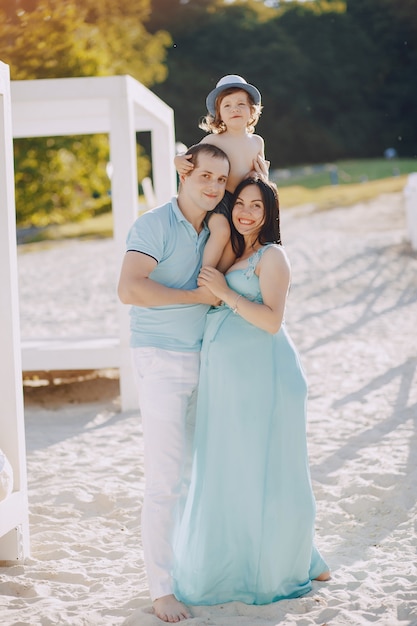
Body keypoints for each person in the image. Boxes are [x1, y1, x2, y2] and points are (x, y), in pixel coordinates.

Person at [173, 177, 330, 607]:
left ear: (269, 214)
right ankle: (294, 556)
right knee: (234, 471)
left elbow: (271, 321)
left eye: (255, 206)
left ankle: (288, 560)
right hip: (231, 384)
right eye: (239, 204)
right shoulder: (237, 250)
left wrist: (225, 293)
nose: (245, 212)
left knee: (268, 473)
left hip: (266, 379)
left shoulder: (273, 256)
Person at [117, 143, 230, 623]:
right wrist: (197, 297)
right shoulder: (153, 224)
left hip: (208, 359)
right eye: (204, 176)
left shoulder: (218, 225)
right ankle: (161, 589)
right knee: (164, 480)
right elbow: (130, 288)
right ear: (185, 174)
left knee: (200, 476)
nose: (212, 186)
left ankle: (194, 571)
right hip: (161, 358)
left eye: (220, 180)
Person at [175, 75, 269, 271]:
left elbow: (260, 173)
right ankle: (206, 274)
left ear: (252, 110)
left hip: (243, 200)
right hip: (220, 198)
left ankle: (221, 277)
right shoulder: (213, 141)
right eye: (227, 106)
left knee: (236, 244)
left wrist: (260, 179)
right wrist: (178, 160)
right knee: (222, 231)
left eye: (241, 104)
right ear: (218, 114)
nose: (234, 109)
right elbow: (190, 157)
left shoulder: (257, 142)